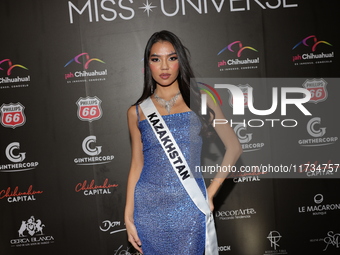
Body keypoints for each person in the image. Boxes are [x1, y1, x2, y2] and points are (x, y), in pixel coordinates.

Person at [125, 30, 242, 255]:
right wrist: (128, 215)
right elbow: (136, 165)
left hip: (190, 206)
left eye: (172, 57)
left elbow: (234, 148)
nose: (165, 66)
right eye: (156, 59)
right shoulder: (136, 112)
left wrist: (210, 192)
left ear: (180, 60)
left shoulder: (202, 100)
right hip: (148, 211)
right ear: (148, 64)